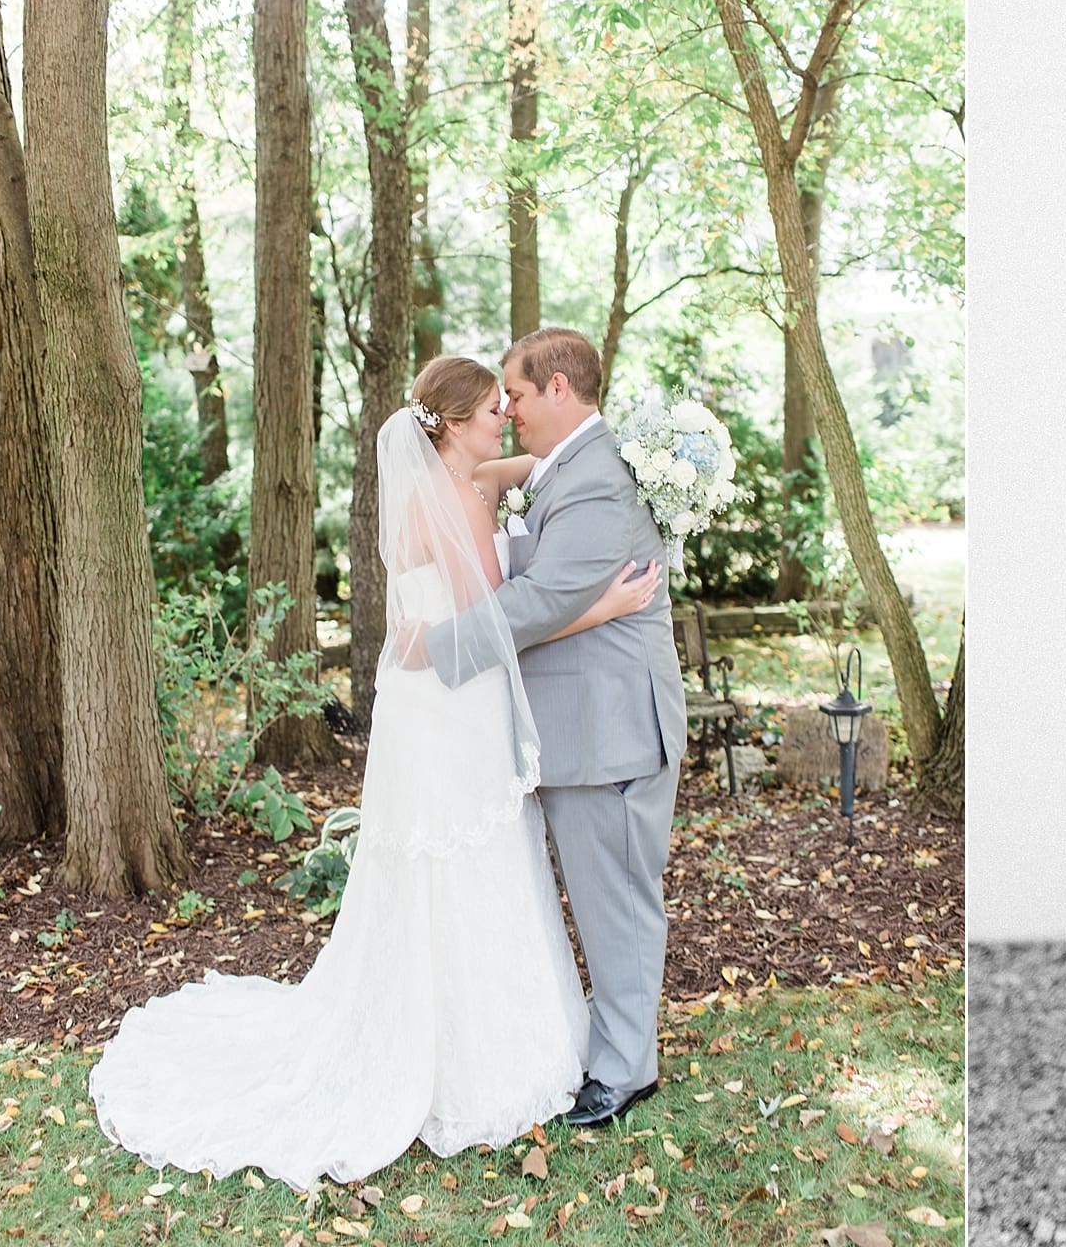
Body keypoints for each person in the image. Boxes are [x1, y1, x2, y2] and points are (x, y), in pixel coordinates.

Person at [92, 355, 659, 1189]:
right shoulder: (463, 500)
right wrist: (601, 606)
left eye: (514, 401)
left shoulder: (440, 486)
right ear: (456, 423)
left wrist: (568, 463)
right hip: (454, 699)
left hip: (425, 703)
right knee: (471, 862)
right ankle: (475, 1057)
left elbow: (521, 468)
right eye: (491, 409)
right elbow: (506, 616)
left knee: (448, 863)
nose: (504, 415)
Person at [423, 326, 687, 1129]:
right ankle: (614, 1047)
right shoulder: (575, 467)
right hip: (588, 726)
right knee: (608, 900)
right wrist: (491, 468)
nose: (509, 407)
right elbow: (529, 486)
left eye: (519, 392)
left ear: (560, 388)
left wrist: (439, 648)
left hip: (611, 729)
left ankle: (624, 1070)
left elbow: (543, 600)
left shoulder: (599, 482)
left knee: (619, 904)